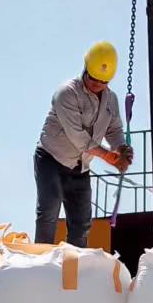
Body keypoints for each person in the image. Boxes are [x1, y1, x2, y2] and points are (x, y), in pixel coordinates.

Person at [35, 42, 132, 246]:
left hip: (80, 167)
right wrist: (108, 156)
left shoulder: (111, 100)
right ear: (85, 69)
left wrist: (121, 148)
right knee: (49, 209)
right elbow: (78, 137)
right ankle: (41, 257)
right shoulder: (66, 93)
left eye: (103, 81)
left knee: (81, 223)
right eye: (93, 78)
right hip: (51, 159)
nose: (97, 84)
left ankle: (75, 262)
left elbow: (114, 130)